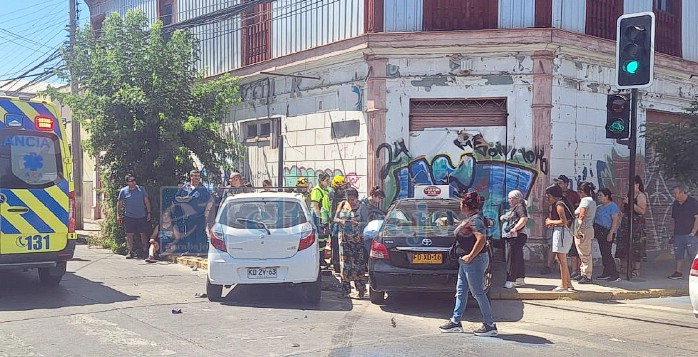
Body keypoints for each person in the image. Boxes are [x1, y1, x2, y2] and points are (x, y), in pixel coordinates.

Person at [439, 192, 498, 337]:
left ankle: (490, 325)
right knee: (461, 290)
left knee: (477, 292)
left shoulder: (476, 220)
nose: (459, 205)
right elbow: (468, 229)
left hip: (474, 261)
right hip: (466, 261)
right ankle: (456, 321)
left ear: (466, 206)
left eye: (461, 203)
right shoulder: (471, 219)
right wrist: (456, 224)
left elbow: (481, 239)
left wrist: (471, 256)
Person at [333, 187, 369, 298]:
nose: (350, 202)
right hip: (344, 240)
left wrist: (358, 223)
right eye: (349, 199)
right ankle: (345, 290)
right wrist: (341, 221)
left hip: (358, 241)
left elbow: (367, 222)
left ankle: (361, 289)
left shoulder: (362, 207)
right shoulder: (343, 204)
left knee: (358, 265)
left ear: (356, 198)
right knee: (345, 265)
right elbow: (335, 218)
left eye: (352, 199)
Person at [174, 170, 213, 254]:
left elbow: (210, 200)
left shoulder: (202, 188)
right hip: (188, 215)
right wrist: (185, 198)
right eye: (195, 176)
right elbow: (176, 198)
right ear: (191, 177)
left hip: (200, 215)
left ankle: (202, 251)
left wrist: (207, 211)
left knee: (200, 233)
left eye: (198, 176)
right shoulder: (185, 187)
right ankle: (191, 251)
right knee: (189, 233)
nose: (197, 178)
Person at [544, 184, 574, 292]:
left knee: (562, 259)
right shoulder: (564, 202)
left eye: (548, 196)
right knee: (560, 258)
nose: (547, 198)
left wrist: (550, 221)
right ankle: (568, 282)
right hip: (564, 232)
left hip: (562, 232)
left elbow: (564, 221)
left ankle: (563, 285)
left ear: (554, 195)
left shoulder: (559, 204)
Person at [616, 175, 648, 277]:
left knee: (636, 245)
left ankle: (636, 269)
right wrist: (623, 202)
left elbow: (642, 211)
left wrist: (630, 203)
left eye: (631, 184)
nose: (629, 186)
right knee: (623, 244)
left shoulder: (641, 196)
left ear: (637, 184)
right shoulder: (629, 194)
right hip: (626, 222)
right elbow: (622, 209)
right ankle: (623, 267)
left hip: (636, 223)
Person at [116, 174, 152, 259]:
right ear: (127, 182)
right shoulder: (123, 191)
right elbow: (119, 204)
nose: (133, 182)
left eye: (134, 180)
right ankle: (130, 251)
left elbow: (146, 201)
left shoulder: (141, 189)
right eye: (131, 180)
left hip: (141, 215)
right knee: (129, 234)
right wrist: (118, 215)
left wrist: (149, 212)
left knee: (143, 234)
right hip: (129, 216)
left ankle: (144, 251)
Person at [667, 183, 698, 279]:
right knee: (678, 254)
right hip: (678, 233)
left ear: (681, 192)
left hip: (690, 234)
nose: (674, 196)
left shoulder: (692, 202)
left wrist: (693, 231)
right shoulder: (675, 204)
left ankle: (695, 273)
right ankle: (678, 272)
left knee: (692, 254)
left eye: (675, 193)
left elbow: (697, 218)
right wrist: (672, 232)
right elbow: (674, 219)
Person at [554, 175, 581, 279]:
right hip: (558, 224)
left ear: (566, 184)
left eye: (560, 183)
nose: (559, 185)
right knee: (558, 249)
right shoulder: (556, 194)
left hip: (570, 224)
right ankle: (562, 270)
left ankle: (574, 270)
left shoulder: (573, 195)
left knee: (573, 248)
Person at [501, 190, 528, 289]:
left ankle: (510, 280)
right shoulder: (516, 208)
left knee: (511, 258)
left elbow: (524, 219)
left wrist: (514, 229)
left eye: (510, 198)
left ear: (515, 199)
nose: (509, 200)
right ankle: (519, 278)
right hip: (517, 236)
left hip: (515, 236)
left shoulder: (519, 207)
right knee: (518, 256)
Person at [594, 188, 621, 281]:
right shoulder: (600, 207)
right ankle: (606, 272)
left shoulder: (613, 206)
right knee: (603, 253)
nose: (599, 197)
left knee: (607, 253)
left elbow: (615, 220)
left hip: (607, 231)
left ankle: (614, 274)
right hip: (600, 231)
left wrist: (611, 233)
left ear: (607, 196)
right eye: (598, 195)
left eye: (601, 195)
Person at [574, 182, 597, 284]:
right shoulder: (591, 201)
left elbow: (582, 215)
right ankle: (584, 272)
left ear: (581, 191)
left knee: (585, 253)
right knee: (582, 252)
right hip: (588, 228)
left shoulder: (585, 201)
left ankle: (587, 274)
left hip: (583, 229)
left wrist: (579, 229)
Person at [311, 173, 332, 266]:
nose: (328, 182)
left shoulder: (326, 190)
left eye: (329, 180)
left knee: (324, 239)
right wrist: (319, 219)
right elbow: (315, 206)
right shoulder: (317, 190)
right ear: (321, 181)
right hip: (319, 218)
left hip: (325, 218)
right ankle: (319, 260)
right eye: (327, 180)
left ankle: (322, 259)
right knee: (320, 239)